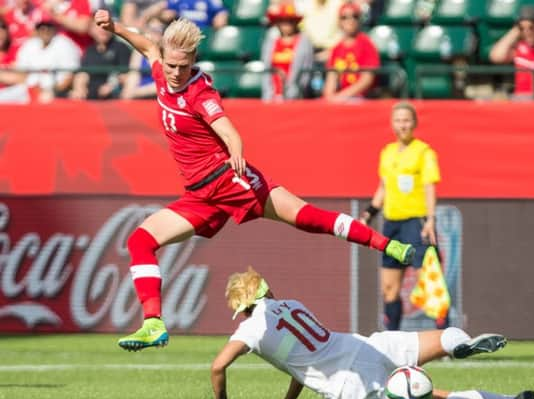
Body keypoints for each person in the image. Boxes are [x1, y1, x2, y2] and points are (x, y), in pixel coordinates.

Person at [93, 8, 415, 352]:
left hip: (229, 182)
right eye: (170, 65)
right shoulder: (162, 70)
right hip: (200, 195)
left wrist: (235, 151)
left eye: (182, 67)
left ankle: (387, 245)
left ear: (193, 61)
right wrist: (114, 28)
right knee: (140, 241)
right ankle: (153, 323)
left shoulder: (199, 94)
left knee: (308, 218)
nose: (174, 73)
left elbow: (228, 129)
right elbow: (146, 45)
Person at [208, 267, 534, 399]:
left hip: (349, 384)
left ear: (241, 308)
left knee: (435, 398)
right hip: (363, 345)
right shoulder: (292, 305)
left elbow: (218, 366)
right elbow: (299, 362)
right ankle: (461, 344)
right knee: (437, 339)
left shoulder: (250, 330)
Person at [359, 102, 439, 331]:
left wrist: (430, 219)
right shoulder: (387, 152)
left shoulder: (424, 152)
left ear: (414, 123)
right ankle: (393, 338)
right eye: (398, 120)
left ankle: (444, 341)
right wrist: (369, 214)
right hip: (392, 224)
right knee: (389, 288)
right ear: (392, 124)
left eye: (406, 120)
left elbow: (429, 187)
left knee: (430, 283)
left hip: (416, 222)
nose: (402, 125)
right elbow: (383, 188)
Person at [322, 1, 380, 101]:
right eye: (344, 17)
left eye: (355, 16)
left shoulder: (367, 44)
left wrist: (341, 97)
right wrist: (330, 98)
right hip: (342, 98)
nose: (350, 20)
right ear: (339, 21)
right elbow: (331, 80)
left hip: (362, 98)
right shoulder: (337, 48)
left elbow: (367, 80)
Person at [260, 3, 313, 101]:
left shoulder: (304, 42)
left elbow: (306, 72)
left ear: (295, 22)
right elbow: (266, 69)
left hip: (295, 96)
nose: (286, 25)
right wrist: (268, 94)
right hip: (272, 96)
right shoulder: (271, 41)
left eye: (290, 21)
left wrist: (296, 92)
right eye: (283, 21)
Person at [69, 22, 131, 100]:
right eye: (98, 26)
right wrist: (80, 88)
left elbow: (125, 76)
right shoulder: (90, 50)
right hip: (90, 96)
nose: (102, 30)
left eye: (105, 26)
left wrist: (112, 85)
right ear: (92, 30)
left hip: (113, 98)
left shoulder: (121, 48)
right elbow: (82, 74)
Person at [120, 17, 164, 100]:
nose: (156, 33)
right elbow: (133, 76)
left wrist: (134, 93)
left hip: (157, 99)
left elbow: (164, 85)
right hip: (139, 99)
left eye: (159, 30)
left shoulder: (166, 55)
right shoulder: (138, 53)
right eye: (152, 29)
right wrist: (128, 91)